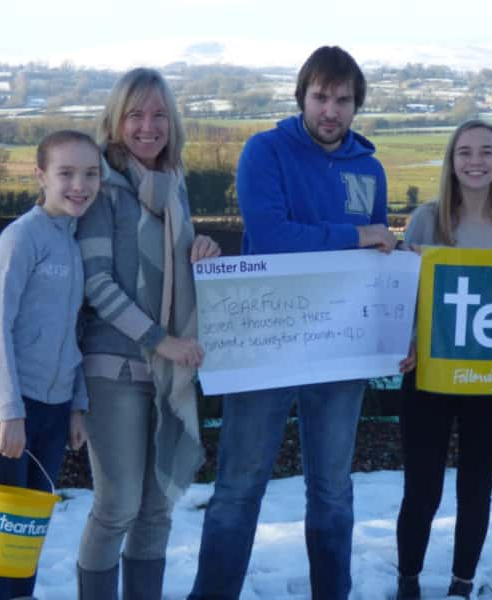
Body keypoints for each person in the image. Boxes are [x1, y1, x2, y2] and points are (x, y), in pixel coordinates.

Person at [188, 46, 397, 600]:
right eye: (321, 96)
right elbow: (274, 237)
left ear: (357, 106)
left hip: (339, 347)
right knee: (239, 486)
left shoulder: (369, 169)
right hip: (266, 341)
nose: (331, 110)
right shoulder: (265, 151)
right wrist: (356, 236)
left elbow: (375, 263)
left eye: (343, 100)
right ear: (302, 96)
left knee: (331, 489)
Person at [75, 68, 221, 600]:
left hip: (168, 372)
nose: (147, 125)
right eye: (135, 113)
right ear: (116, 121)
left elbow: (171, 268)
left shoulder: (173, 188)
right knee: (117, 508)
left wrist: (201, 249)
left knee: (157, 511)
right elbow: (97, 284)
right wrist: (162, 339)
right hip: (113, 370)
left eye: (159, 114)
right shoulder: (101, 189)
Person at [393, 119, 492, 600]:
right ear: (451, 162)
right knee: (422, 490)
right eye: (465, 152)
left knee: (476, 489)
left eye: (486, 152)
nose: (475, 161)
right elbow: (404, 295)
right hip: (429, 374)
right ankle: (408, 580)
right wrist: (407, 341)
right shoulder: (425, 219)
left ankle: (461, 583)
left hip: (488, 377)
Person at [0, 129, 100, 599]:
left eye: (90, 173)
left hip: (53, 408)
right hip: (8, 410)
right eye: (66, 173)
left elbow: (73, 333)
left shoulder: (73, 241)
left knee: (26, 535)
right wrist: (10, 410)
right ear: (40, 175)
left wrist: (76, 406)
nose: (79, 185)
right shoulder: (21, 239)